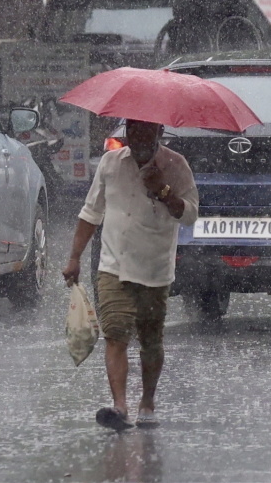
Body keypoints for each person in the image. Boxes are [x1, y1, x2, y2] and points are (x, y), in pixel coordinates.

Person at [62, 119, 199, 430]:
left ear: (159, 133)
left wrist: (163, 190)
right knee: (115, 333)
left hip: (154, 268)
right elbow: (91, 212)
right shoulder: (111, 163)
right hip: (113, 265)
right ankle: (120, 406)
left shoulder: (176, 165)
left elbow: (190, 214)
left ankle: (147, 402)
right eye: (131, 130)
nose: (136, 137)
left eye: (145, 131)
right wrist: (74, 258)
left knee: (151, 341)